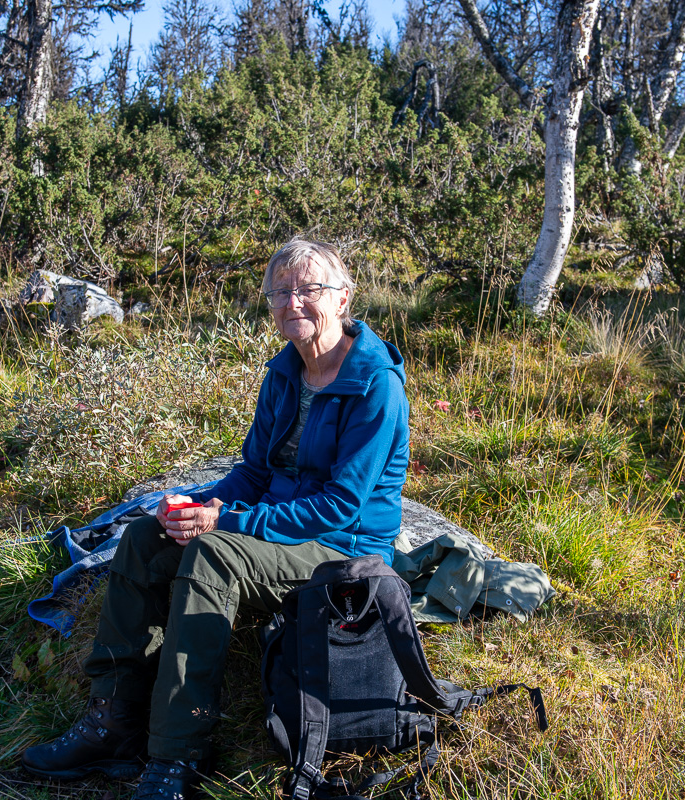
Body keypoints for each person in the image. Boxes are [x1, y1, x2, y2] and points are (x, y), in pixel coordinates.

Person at [21, 239, 411, 800]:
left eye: (309, 290)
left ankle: (176, 755)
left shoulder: (375, 384)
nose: (292, 302)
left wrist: (227, 523)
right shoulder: (285, 373)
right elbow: (252, 473)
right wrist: (199, 507)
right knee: (143, 536)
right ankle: (112, 722)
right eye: (280, 292)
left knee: (211, 555)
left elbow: (340, 506)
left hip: (341, 546)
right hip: (281, 526)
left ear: (344, 298)